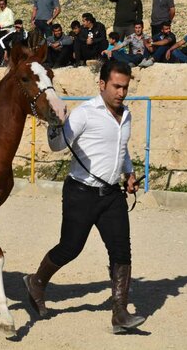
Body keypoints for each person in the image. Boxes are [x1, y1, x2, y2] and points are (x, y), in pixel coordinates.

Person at [23, 61, 145, 334]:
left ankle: (120, 313)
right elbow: (57, 146)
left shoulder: (126, 116)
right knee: (70, 248)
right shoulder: (85, 114)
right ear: (102, 85)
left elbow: (121, 149)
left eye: (125, 87)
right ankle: (37, 282)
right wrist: (54, 124)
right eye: (116, 86)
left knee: (121, 251)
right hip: (81, 192)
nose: (121, 93)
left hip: (112, 195)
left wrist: (129, 174)